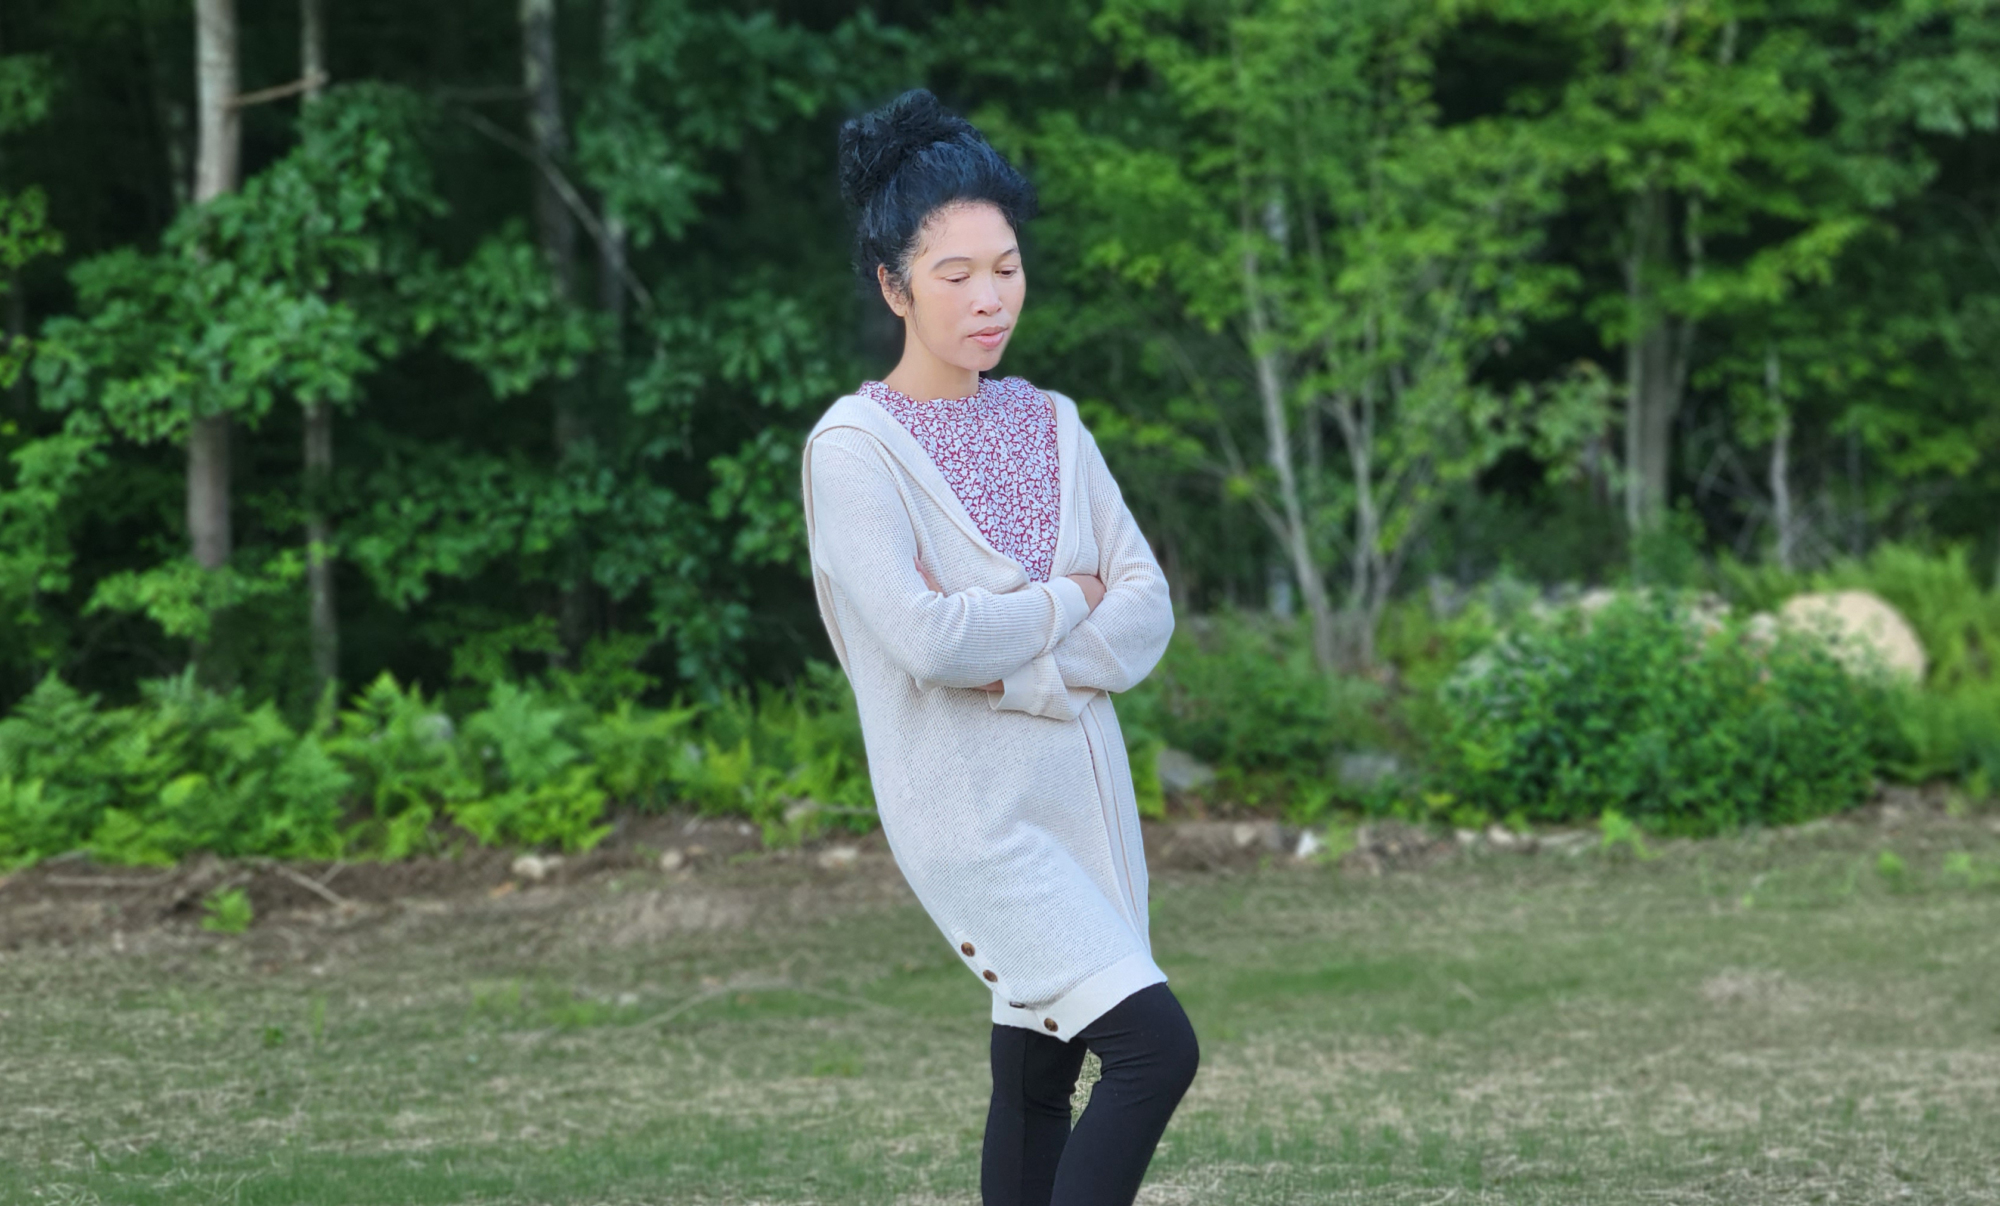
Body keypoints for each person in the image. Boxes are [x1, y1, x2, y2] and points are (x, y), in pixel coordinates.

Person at [799, 87, 1198, 1206]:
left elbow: (1145, 608)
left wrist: (1016, 654)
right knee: (1155, 1050)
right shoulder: (854, 451)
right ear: (894, 287)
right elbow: (930, 641)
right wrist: (1070, 598)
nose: (990, 298)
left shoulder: (1051, 421)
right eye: (956, 275)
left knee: (1036, 1079)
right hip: (974, 820)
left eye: (1007, 268)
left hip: (1086, 808)